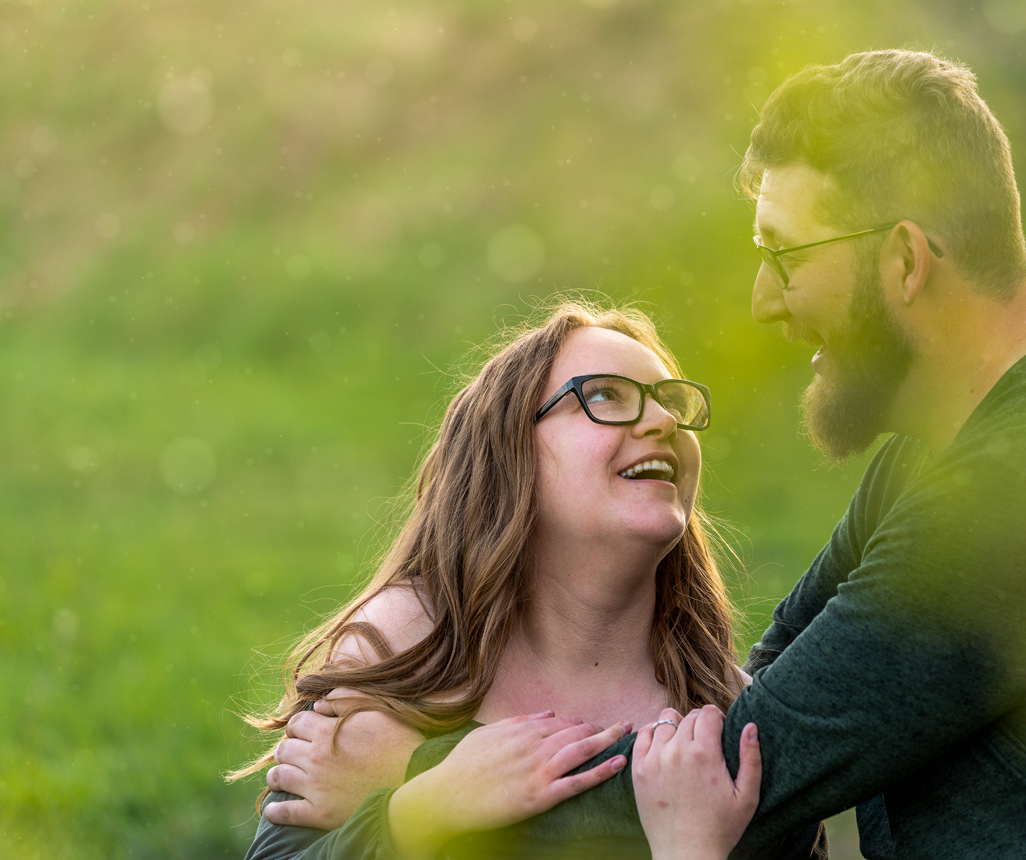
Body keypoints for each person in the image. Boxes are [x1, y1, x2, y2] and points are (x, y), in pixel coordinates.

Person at [268, 50, 1026, 858]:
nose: (765, 301)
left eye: (786, 256)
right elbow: (763, 692)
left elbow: (749, 773)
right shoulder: (958, 449)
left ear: (901, 261)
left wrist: (413, 797)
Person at [231, 301, 824, 860]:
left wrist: (418, 794)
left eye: (671, 401)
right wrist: (409, 818)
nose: (665, 420)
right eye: (606, 397)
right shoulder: (401, 654)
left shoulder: (727, 711)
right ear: (507, 452)